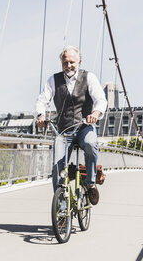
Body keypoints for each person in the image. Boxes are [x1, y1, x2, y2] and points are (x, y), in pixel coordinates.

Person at [35, 46, 107, 205]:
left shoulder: (89, 77)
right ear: (61, 62)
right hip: (64, 131)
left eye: (72, 62)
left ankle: (90, 183)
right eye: (65, 62)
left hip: (84, 128)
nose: (68, 65)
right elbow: (42, 100)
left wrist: (95, 114)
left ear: (79, 62)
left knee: (90, 144)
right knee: (56, 168)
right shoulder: (53, 80)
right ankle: (61, 210)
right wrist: (41, 115)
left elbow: (101, 100)